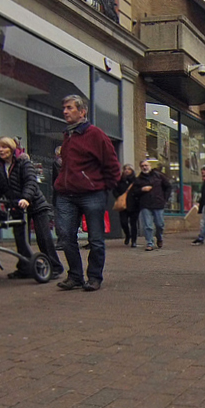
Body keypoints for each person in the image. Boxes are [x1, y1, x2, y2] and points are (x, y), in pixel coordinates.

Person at [53, 95, 121, 291]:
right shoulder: (68, 135)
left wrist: (103, 187)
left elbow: (111, 164)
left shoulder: (96, 135)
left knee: (95, 239)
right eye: (64, 108)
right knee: (66, 236)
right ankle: (75, 276)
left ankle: (94, 277)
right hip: (66, 194)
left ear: (82, 112)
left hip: (92, 194)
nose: (65, 111)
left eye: (70, 108)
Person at [0, 137, 64, 278]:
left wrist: (26, 198)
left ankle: (54, 267)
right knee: (20, 238)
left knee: (43, 237)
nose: (1, 150)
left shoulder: (23, 162)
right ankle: (25, 268)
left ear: (11, 148)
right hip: (16, 205)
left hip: (34, 203)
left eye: (4, 147)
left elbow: (30, 182)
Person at [133, 159, 171, 251]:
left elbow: (168, 187)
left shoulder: (159, 176)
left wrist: (164, 199)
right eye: (142, 166)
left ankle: (159, 237)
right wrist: (142, 190)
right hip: (145, 205)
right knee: (148, 226)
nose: (144, 167)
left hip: (158, 204)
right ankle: (149, 243)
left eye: (146, 165)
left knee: (159, 224)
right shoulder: (138, 180)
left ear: (150, 166)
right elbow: (134, 192)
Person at [114, 164, 139, 248]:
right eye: (125, 169)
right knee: (123, 222)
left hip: (134, 205)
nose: (127, 171)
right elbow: (115, 190)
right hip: (123, 205)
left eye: (129, 169)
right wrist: (118, 196)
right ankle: (127, 235)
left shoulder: (136, 181)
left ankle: (134, 241)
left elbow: (139, 191)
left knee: (133, 223)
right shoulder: (120, 181)